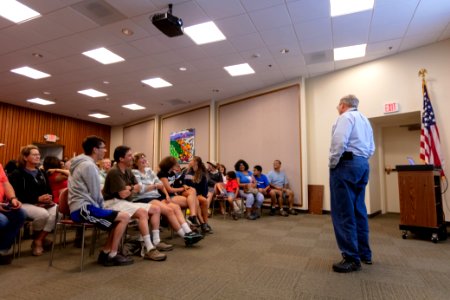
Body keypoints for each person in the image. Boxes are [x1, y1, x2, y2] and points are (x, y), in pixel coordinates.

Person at [69, 136, 134, 266]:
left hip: (85, 207)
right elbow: (95, 193)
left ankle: (106, 253)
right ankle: (112, 255)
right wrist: (103, 208)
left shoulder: (84, 163)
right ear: (95, 149)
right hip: (82, 209)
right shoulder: (88, 165)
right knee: (124, 217)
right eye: (103, 148)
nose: (105, 151)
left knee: (119, 219)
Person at [329, 94, 375, 273]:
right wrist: (360, 160)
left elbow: (339, 142)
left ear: (342, 105)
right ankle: (365, 254)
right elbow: (371, 147)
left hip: (346, 165)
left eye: (338, 105)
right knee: (359, 210)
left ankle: (351, 257)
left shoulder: (345, 117)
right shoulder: (364, 119)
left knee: (343, 212)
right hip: (363, 164)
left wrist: (333, 163)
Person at [102, 146, 171, 259]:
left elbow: (138, 187)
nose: (132, 158)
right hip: (112, 203)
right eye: (129, 156)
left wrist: (130, 188)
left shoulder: (128, 171)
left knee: (156, 209)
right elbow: (123, 194)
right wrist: (132, 188)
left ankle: (156, 241)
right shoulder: (114, 172)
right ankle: (149, 248)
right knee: (142, 212)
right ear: (121, 159)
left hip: (124, 202)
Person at [131, 152, 203, 246]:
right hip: (144, 198)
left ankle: (189, 232)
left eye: (145, 157)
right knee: (169, 210)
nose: (144, 159)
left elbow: (160, 185)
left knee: (176, 207)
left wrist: (163, 192)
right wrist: (155, 186)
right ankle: (185, 237)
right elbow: (141, 189)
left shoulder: (149, 171)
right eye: (141, 158)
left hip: (156, 196)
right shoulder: (134, 172)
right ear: (136, 162)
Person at [9, 145, 58, 256]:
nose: (38, 156)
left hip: (41, 203)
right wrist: (36, 198)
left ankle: (38, 240)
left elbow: (49, 190)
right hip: (24, 203)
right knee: (43, 214)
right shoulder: (17, 173)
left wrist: (49, 198)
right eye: (34, 154)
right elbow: (15, 195)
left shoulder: (42, 173)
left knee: (57, 211)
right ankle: (38, 240)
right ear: (25, 158)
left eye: (38, 154)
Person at [157, 156, 201, 228]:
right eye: (175, 163)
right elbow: (169, 189)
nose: (177, 165)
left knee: (193, 191)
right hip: (165, 197)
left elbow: (177, 184)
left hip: (173, 195)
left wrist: (184, 186)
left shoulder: (172, 173)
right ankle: (192, 222)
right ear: (170, 165)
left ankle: (192, 218)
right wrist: (182, 189)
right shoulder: (162, 174)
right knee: (195, 201)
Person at [0, 164, 26, 265]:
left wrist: (13, 198)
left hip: (2, 203)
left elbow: (5, 183)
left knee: (20, 214)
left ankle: (2, 249)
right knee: (2, 221)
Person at [184, 156, 213, 233]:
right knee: (196, 201)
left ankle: (205, 223)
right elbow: (184, 184)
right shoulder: (186, 172)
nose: (189, 162)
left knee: (204, 200)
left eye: (191, 160)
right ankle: (203, 224)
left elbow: (205, 188)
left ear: (196, 162)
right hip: (189, 194)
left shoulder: (202, 174)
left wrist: (202, 195)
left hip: (199, 194)